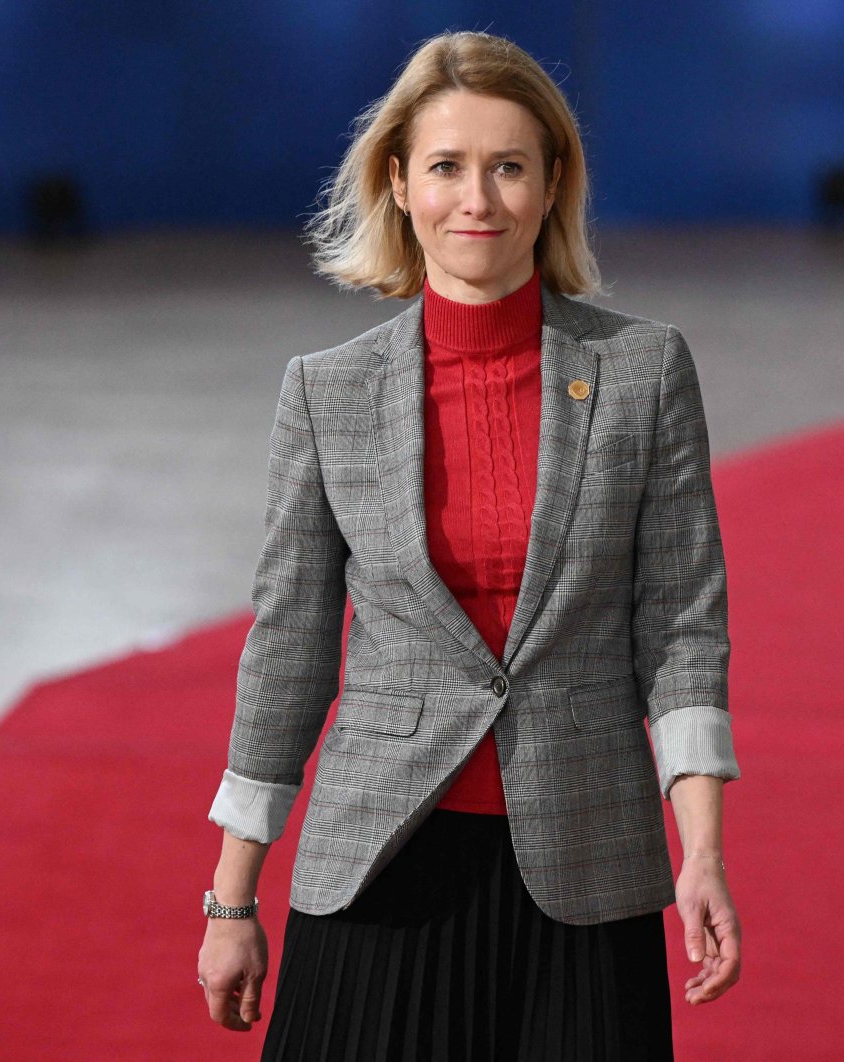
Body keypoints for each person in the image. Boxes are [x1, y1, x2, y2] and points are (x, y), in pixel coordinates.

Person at [196, 29, 742, 1061]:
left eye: (507, 167)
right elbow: (289, 649)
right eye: (446, 166)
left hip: (586, 865)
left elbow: (681, 627)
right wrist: (232, 899)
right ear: (398, 182)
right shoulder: (327, 392)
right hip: (377, 865)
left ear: (550, 185)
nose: (476, 199)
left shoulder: (643, 369)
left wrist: (702, 852)